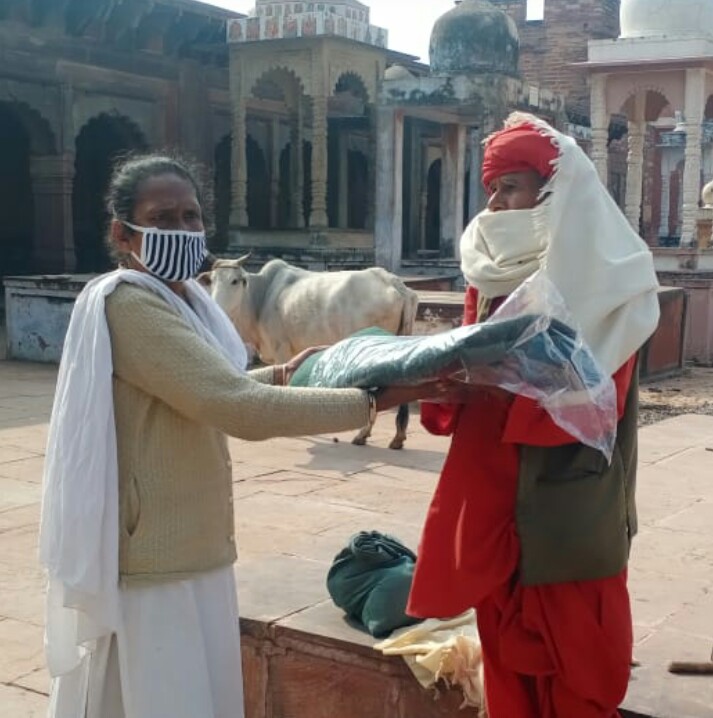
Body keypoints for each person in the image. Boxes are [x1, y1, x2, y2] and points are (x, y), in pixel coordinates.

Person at [39, 153, 446, 718]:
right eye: (163, 218)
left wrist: (282, 371)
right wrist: (375, 400)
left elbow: (206, 386)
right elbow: (238, 407)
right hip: (155, 559)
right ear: (122, 232)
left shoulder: (188, 301)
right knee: (160, 697)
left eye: (190, 216)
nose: (181, 230)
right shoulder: (131, 304)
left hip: (196, 545)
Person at [407, 113, 661, 718]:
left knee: (580, 650)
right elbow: (470, 357)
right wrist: (436, 377)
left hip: (567, 491)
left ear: (553, 193)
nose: (495, 202)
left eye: (511, 187)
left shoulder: (613, 275)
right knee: (503, 636)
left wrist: (499, 372)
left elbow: (598, 394)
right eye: (492, 189)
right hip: (493, 481)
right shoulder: (491, 268)